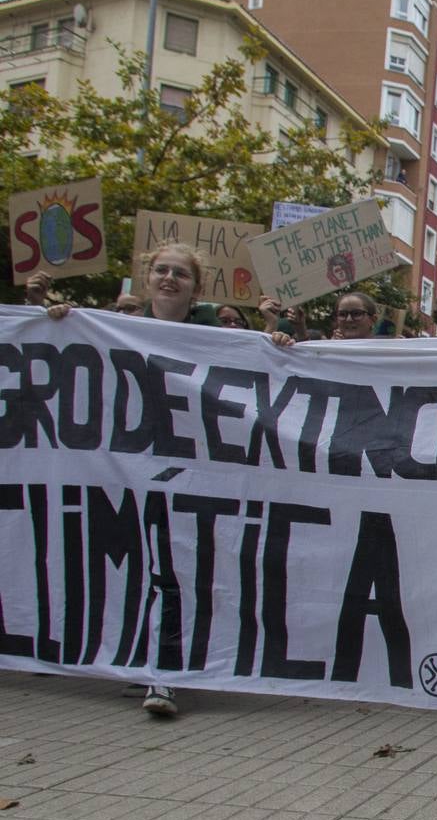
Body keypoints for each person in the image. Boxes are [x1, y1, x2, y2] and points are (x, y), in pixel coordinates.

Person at [37, 241, 291, 716]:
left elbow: (261, 376)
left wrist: (273, 340)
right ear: (147, 277)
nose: (170, 278)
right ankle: (131, 658)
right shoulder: (109, 327)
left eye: (181, 273)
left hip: (188, 474)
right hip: (119, 472)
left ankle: (165, 675)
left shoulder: (215, 338)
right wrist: (57, 320)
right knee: (128, 566)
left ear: (196, 289)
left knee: (173, 571)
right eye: (162, 270)